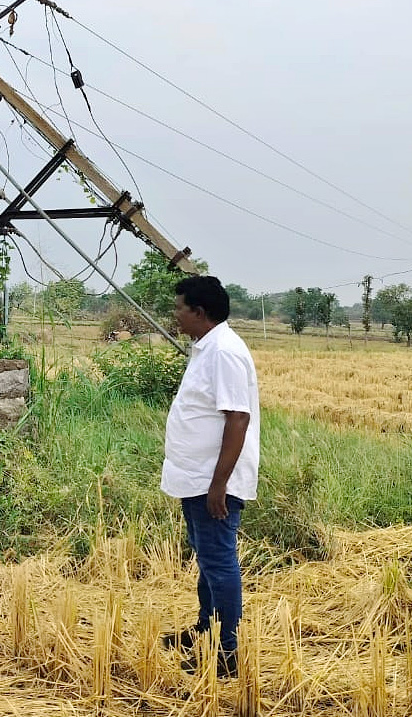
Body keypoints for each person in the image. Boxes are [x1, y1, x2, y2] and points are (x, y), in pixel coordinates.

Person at [160, 275, 260, 677]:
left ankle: (227, 653)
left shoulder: (225, 352)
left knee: (219, 564)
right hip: (196, 478)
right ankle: (206, 627)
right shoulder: (206, 348)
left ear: (199, 313)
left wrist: (218, 485)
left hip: (212, 483)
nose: (176, 315)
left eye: (180, 308)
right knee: (207, 562)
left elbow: (238, 419)